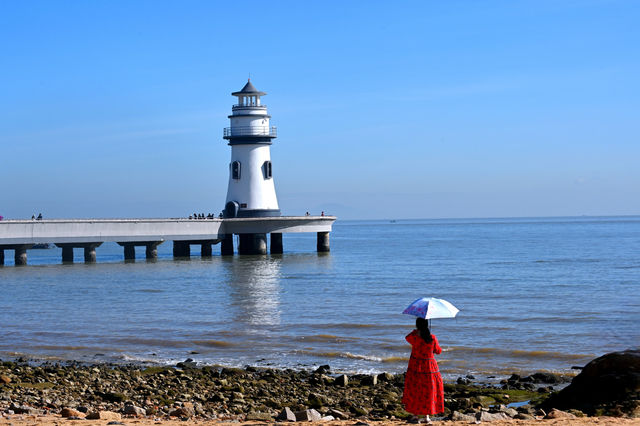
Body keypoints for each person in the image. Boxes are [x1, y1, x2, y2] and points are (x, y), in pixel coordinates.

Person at [402, 317, 444, 423]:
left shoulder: (414, 337)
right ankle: (427, 416)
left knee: (415, 389)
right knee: (428, 390)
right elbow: (438, 351)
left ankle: (415, 415)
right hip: (429, 367)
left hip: (416, 366)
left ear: (417, 326)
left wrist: (416, 331)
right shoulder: (432, 338)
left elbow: (407, 337)